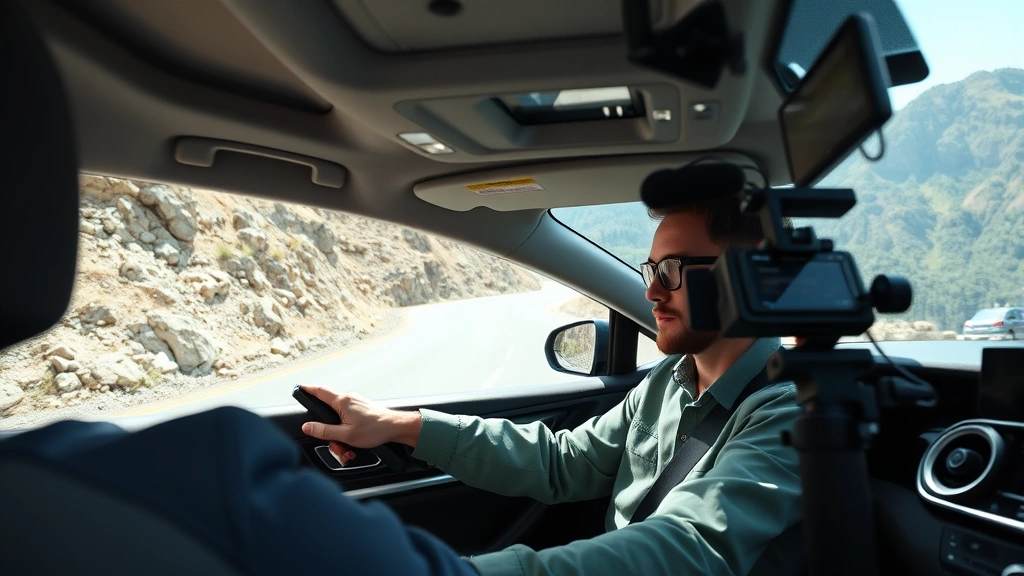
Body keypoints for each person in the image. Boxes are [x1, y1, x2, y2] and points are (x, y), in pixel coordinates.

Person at [302, 196, 803, 576]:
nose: (650, 290)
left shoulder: (790, 413)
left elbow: (691, 546)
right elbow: (564, 461)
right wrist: (399, 425)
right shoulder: (664, 382)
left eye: (671, 270)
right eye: (650, 269)